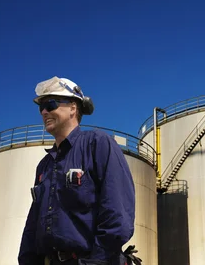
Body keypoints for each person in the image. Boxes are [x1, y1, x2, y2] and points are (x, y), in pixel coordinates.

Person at [18, 76, 141, 265]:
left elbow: (118, 215)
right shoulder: (45, 165)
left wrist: (95, 261)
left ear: (73, 108)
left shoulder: (97, 144)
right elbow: (33, 224)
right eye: (40, 107)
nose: (43, 112)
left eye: (50, 104)